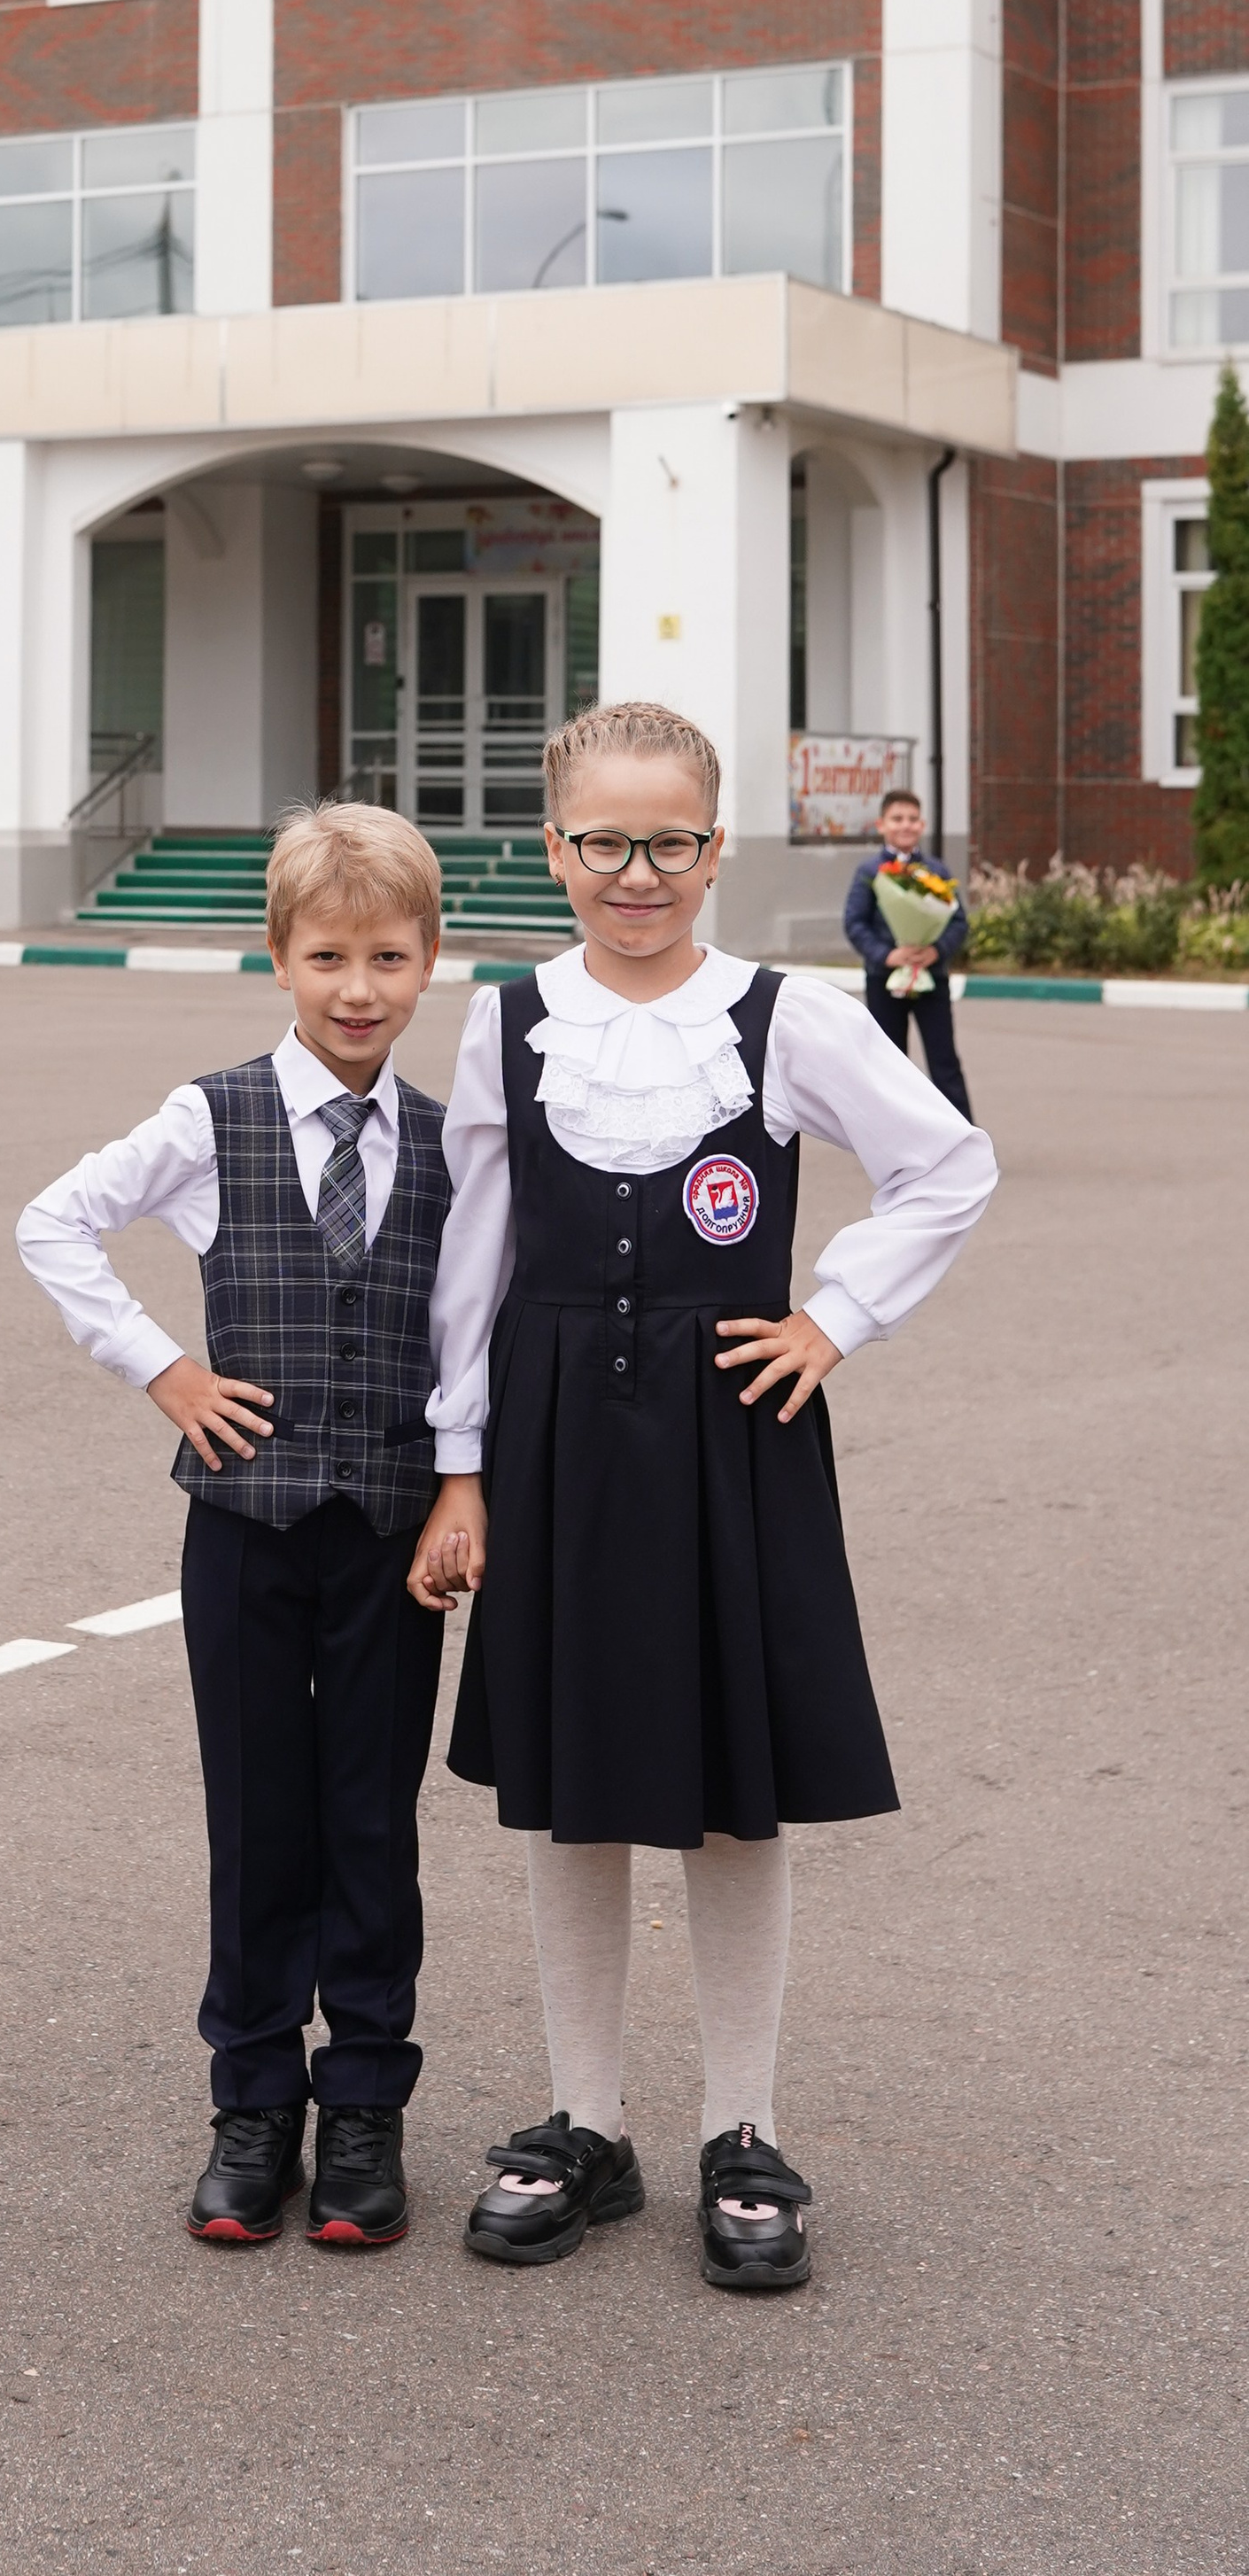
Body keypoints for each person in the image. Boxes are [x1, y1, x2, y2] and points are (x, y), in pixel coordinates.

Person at [408, 702, 995, 2293]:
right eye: (604, 841)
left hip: (733, 1430)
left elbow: (947, 1164)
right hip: (549, 1444)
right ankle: (584, 2120)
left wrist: (833, 1317)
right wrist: (460, 1462)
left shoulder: (784, 1017)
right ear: (554, 850)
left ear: (716, 847)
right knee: (568, 1773)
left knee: (734, 1787)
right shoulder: (509, 1018)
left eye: (670, 841)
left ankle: (745, 2125)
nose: (638, 872)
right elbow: (473, 1259)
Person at [17, 803, 453, 2253]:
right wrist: (165, 1369)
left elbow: (476, 1333)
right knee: (260, 1815)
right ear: (279, 957)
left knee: (371, 1822)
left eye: (387, 957)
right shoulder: (213, 1118)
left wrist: (468, 1487)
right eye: (327, 955)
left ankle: (369, 2106)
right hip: (248, 1533)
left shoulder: (457, 1147)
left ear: (428, 962)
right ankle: (255, 2102)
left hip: (391, 1534)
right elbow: (54, 1225)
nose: (356, 988)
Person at [844, 788, 973, 1121]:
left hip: (932, 978)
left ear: (922, 824)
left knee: (944, 1059)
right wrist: (887, 956)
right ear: (882, 824)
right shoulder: (870, 872)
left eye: (913, 819)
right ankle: (893, 1138)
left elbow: (958, 921)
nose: (906, 825)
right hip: (885, 979)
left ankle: (962, 1136)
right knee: (889, 1063)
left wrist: (936, 951)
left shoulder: (937, 872)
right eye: (897, 819)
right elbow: (855, 922)